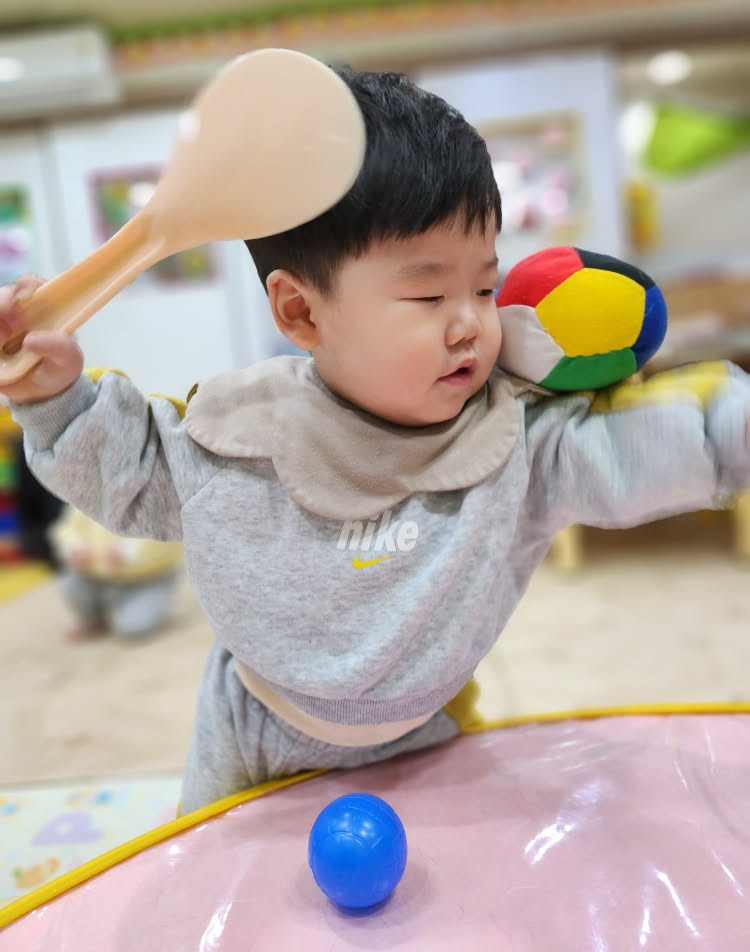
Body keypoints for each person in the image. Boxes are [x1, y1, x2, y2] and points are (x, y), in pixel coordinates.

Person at [1, 67, 749, 815]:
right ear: (301, 313)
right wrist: (51, 397)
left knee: (446, 869)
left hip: (423, 731)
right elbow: (127, 466)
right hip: (251, 731)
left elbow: (633, 446)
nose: (471, 324)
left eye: (484, 288)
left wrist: (728, 430)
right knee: (214, 875)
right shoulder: (243, 435)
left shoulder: (511, 438)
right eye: (428, 295)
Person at [48, 504, 183, 640]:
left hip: (147, 579)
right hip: (98, 576)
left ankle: (147, 609)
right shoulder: (91, 497)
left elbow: (166, 534)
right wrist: (74, 548)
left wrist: (129, 554)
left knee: (133, 629)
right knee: (70, 579)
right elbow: (66, 529)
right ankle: (95, 619)